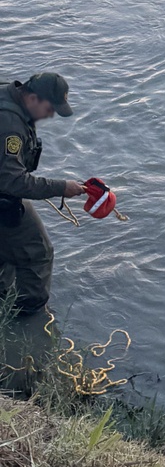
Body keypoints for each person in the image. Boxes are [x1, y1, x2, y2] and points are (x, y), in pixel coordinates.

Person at [0, 74, 85, 317]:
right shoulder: (10, 127)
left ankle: (2, 298)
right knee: (38, 252)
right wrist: (61, 187)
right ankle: (29, 321)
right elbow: (12, 181)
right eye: (50, 109)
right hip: (4, 196)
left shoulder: (8, 90)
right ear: (33, 97)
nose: (50, 116)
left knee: (6, 251)